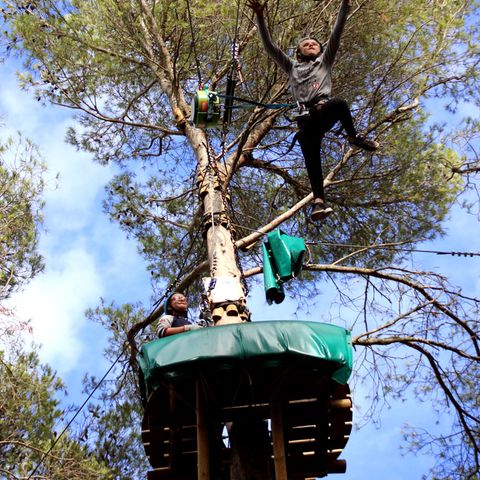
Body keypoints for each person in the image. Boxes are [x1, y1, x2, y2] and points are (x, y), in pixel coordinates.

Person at [247, 0, 379, 221]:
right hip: (306, 120)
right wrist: (260, 16)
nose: (310, 44)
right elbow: (270, 47)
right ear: (298, 53)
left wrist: (345, 4)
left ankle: (353, 137)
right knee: (309, 150)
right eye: (305, 44)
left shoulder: (324, 62)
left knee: (339, 104)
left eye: (314, 44)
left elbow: (337, 31)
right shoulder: (292, 67)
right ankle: (318, 202)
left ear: (320, 50)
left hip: (323, 110)